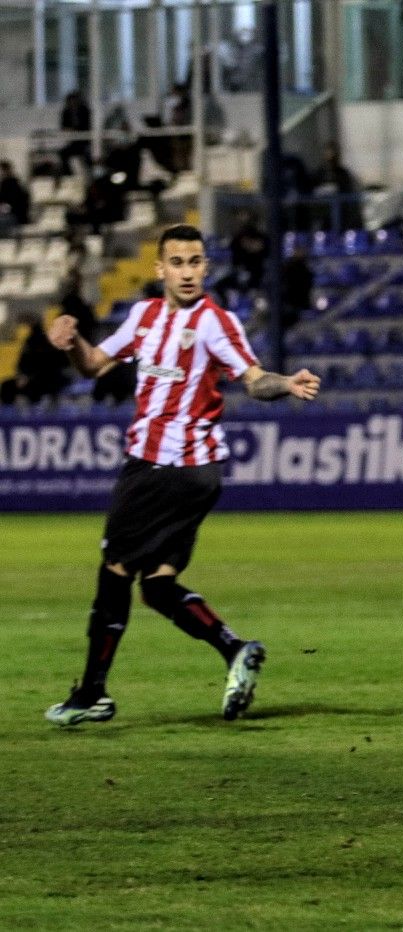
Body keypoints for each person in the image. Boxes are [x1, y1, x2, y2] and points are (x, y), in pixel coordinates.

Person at [42, 224, 323, 726]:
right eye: (177, 262)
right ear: (160, 269)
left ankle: (92, 694)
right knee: (156, 584)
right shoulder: (144, 316)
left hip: (165, 467)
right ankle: (234, 649)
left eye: (195, 262)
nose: (187, 272)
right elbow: (94, 365)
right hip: (189, 474)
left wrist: (286, 383)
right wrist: (72, 343)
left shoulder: (216, 322)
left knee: (115, 572)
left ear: (206, 267)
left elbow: (253, 380)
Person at [0, 160, 29, 234]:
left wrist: (6, 208)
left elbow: (14, 201)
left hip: (14, 215)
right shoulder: (8, 183)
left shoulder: (12, 183)